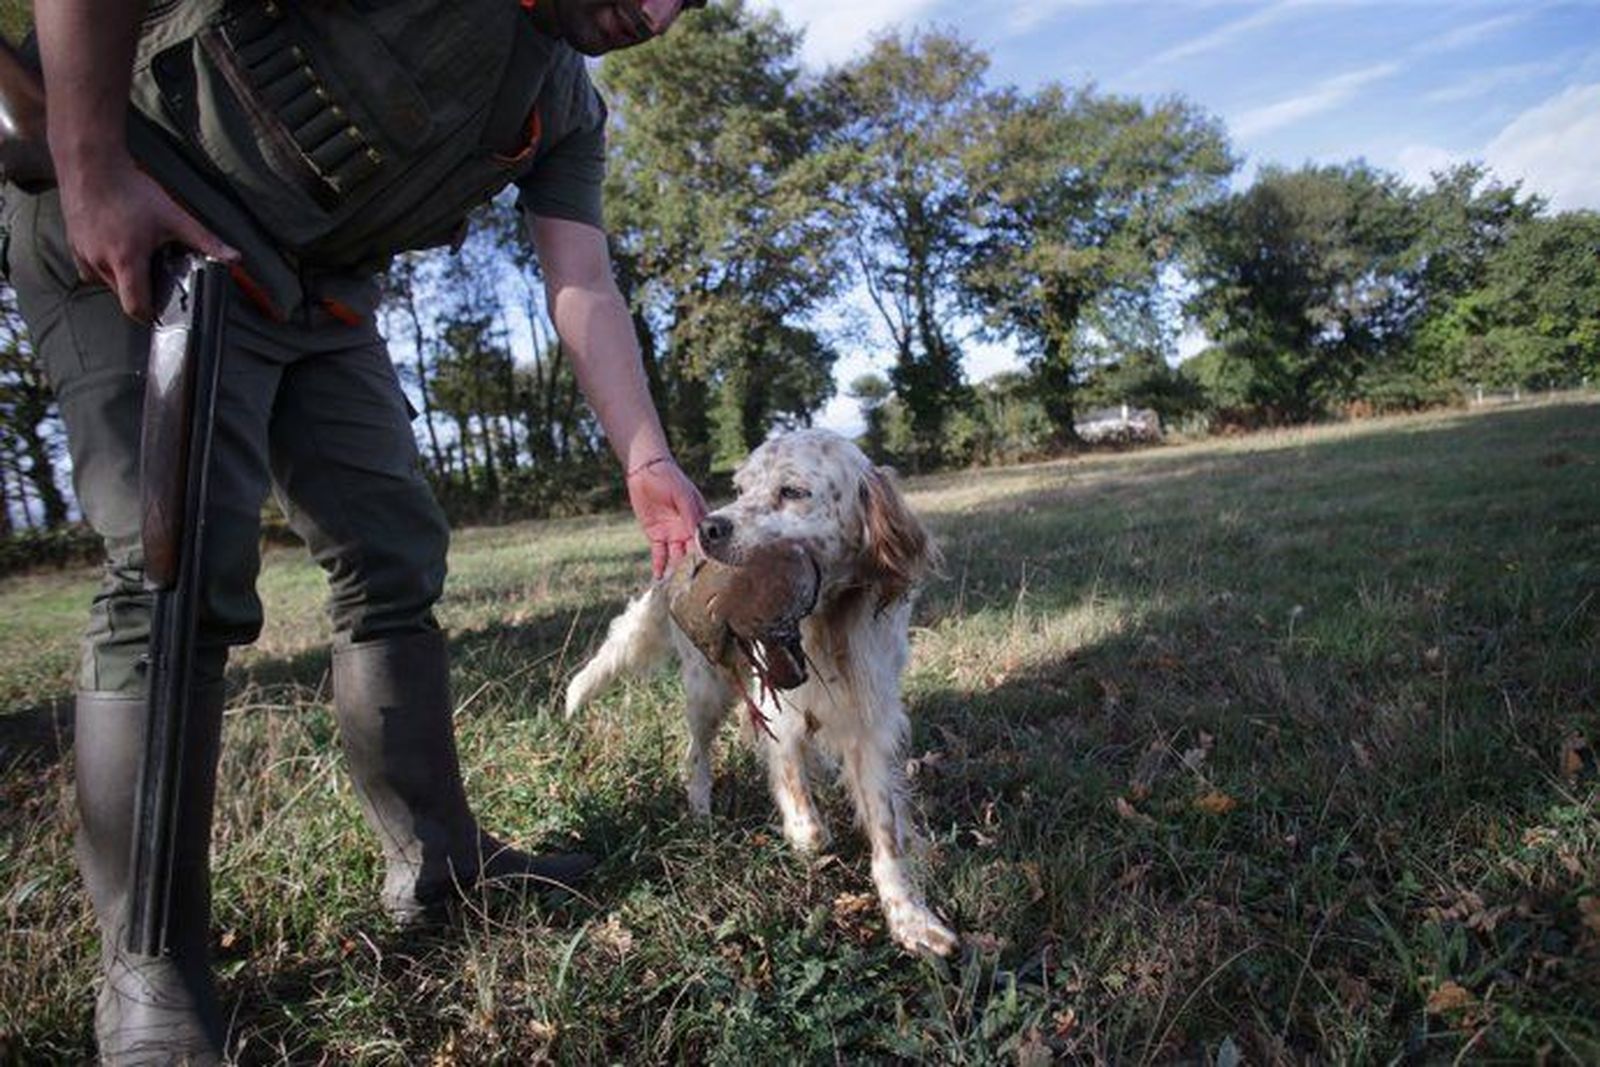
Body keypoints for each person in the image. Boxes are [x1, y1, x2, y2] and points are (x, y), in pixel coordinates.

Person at [2, 0, 708, 1061]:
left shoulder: (562, 105)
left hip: (309, 294)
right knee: (175, 567)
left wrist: (646, 457)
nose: (652, 14)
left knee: (393, 555)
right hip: (147, 205)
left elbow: (583, 281)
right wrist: (91, 163)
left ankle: (437, 863)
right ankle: (148, 968)